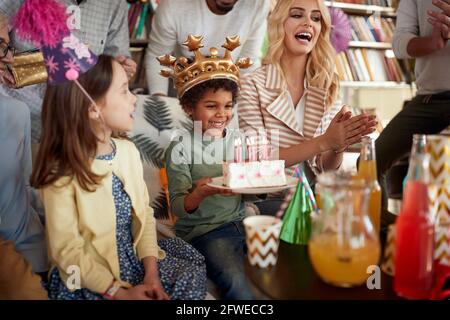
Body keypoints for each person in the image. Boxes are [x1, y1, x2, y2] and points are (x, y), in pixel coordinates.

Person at [30, 55, 207, 300]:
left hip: (134, 259)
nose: (134, 98)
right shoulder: (60, 173)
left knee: (190, 273)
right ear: (93, 108)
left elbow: (144, 215)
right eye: (124, 91)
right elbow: (67, 253)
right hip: (89, 276)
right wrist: (121, 293)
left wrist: (151, 274)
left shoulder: (127, 152)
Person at [237, 0, 377, 213]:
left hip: (313, 196)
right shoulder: (251, 85)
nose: (308, 23)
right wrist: (325, 141)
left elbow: (325, 168)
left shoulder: (327, 85)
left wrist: (338, 145)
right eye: (296, 15)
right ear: (279, 23)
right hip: (267, 201)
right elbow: (259, 161)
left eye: (315, 18)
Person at [163, 35, 256, 299]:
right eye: (211, 106)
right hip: (206, 232)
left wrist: (256, 180)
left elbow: (252, 190)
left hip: (242, 220)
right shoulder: (180, 147)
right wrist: (200, 193)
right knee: (236, 281)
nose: (221, 114)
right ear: (190, 108)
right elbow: (179, 207)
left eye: (228, 106)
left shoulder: (238, 140)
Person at [0, 0, 137, 142]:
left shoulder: (114, 3)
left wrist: (120, 67)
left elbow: (114, 57)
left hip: (80, 126)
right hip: (21, 121)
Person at [376, 0, 450, 229]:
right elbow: (399, 44)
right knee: (370, 162)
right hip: (428, 99)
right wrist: (432, 42)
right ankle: (393, 236)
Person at [0, 13, 48, 300]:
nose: (9, 56)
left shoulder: (15, 112)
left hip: (29, 249)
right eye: (5, 46)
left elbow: (26, 190)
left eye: (6, 46)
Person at [145, 0, 270, 96]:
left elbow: (248, 63)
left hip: (231, 94)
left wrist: (241, 105)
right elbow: (159, 57)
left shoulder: (257, 4)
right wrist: (159, 102)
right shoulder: (172, 5)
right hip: (182, 90)